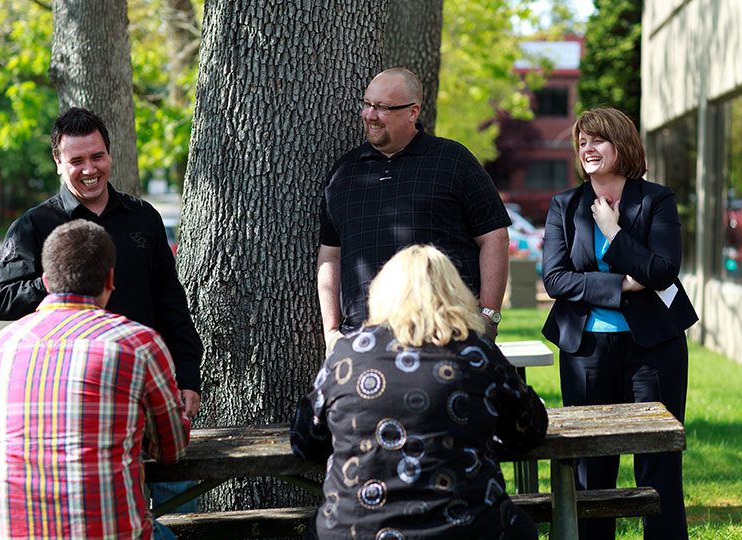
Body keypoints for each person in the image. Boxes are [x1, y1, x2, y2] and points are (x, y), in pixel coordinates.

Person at [292, 245, 548, 539]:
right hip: (467, 528)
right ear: (455, 292)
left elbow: (305, 441)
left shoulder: (347, 355)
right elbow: (529, 429)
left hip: (354, 529)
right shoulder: (477, 352)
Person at [541, 108, 698, 540]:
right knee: (592, 467)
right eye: (582, 142)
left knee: (658, 461)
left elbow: (663, 270)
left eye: (597, 141)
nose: (587, 149)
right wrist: (623, 285)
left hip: (655, 349)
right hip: (586, 351)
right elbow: (555, 279)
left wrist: (613, 232)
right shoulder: (564, 205)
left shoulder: (655, 199)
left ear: (622, 144)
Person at [0, 220, 190, 539]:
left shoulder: (0, 347)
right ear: (110, 279)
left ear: (47, 281)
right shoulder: (137, 343)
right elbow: (171, 449)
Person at [0, 107, 202, 417]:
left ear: (110, 155)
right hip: (64, 387)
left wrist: (187, 375)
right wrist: (50, 283)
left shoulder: (143, 218)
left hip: (140, 382)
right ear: (59, 164)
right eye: (76, 161)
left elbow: (170, 301)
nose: (89, 169)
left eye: (97, 157)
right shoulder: (33, 226)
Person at [317, 68, 511, 349]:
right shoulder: (344, 173)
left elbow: (494, 236)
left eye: (382, 107)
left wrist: (488, 319)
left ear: (413, 112)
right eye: (367, 104)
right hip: (362, 343)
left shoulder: (454, 161)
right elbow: (331, 256)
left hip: (444, 338)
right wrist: (332, 332)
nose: (370, 115)